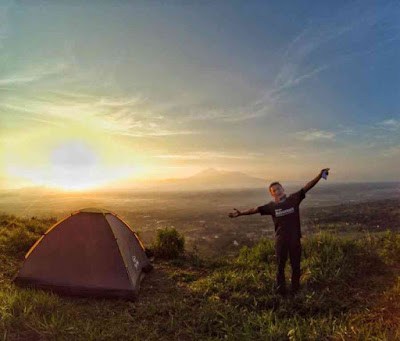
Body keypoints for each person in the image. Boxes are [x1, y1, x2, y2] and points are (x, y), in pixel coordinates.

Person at [228, 168, 330, 296]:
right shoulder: (271, 207)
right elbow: (255, 209)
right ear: (272, 194)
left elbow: (307, 187)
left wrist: (320, 176)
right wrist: (240, 213)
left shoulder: (294, 199)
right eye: (274, 190)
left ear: (283, 189)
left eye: (278, 188)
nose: (277, 191)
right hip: (281, 241)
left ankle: (295, 290)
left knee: (296, 266)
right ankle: (281, 292)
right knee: (280, 267)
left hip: (295, 239)